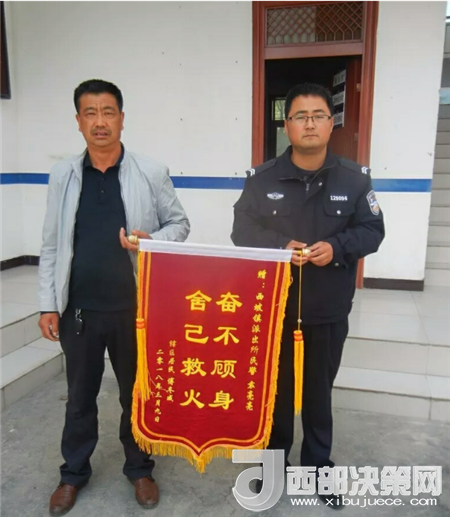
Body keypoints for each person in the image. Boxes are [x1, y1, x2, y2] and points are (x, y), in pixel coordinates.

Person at [38, 79, 190, 516]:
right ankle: (73, 474)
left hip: (135, 310)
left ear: (122, 118)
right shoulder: (63, 175)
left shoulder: (151, 171)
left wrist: (153, 240)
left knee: (137, 395)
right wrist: (48, 303)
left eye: (108, 112)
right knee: (79, 398)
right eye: (91, 113)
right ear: (78, 121)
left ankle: (140, 468)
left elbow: (180, 225)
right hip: (79, 310)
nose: (100, 121)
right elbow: (51, 244)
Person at [231, 83, 385, 509]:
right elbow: (242, 229)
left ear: (332, 124)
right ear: (287, 125)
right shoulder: (262, 179)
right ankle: (273, 468)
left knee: (318, 394)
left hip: (328, 308)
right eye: (301, 116)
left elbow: (373, 231)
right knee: (276, 394)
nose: (310, 124)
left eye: (319, 115)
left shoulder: (355, 179)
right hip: (275, 309)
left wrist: (337, 247)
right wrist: (280, 246)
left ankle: (317, 469)